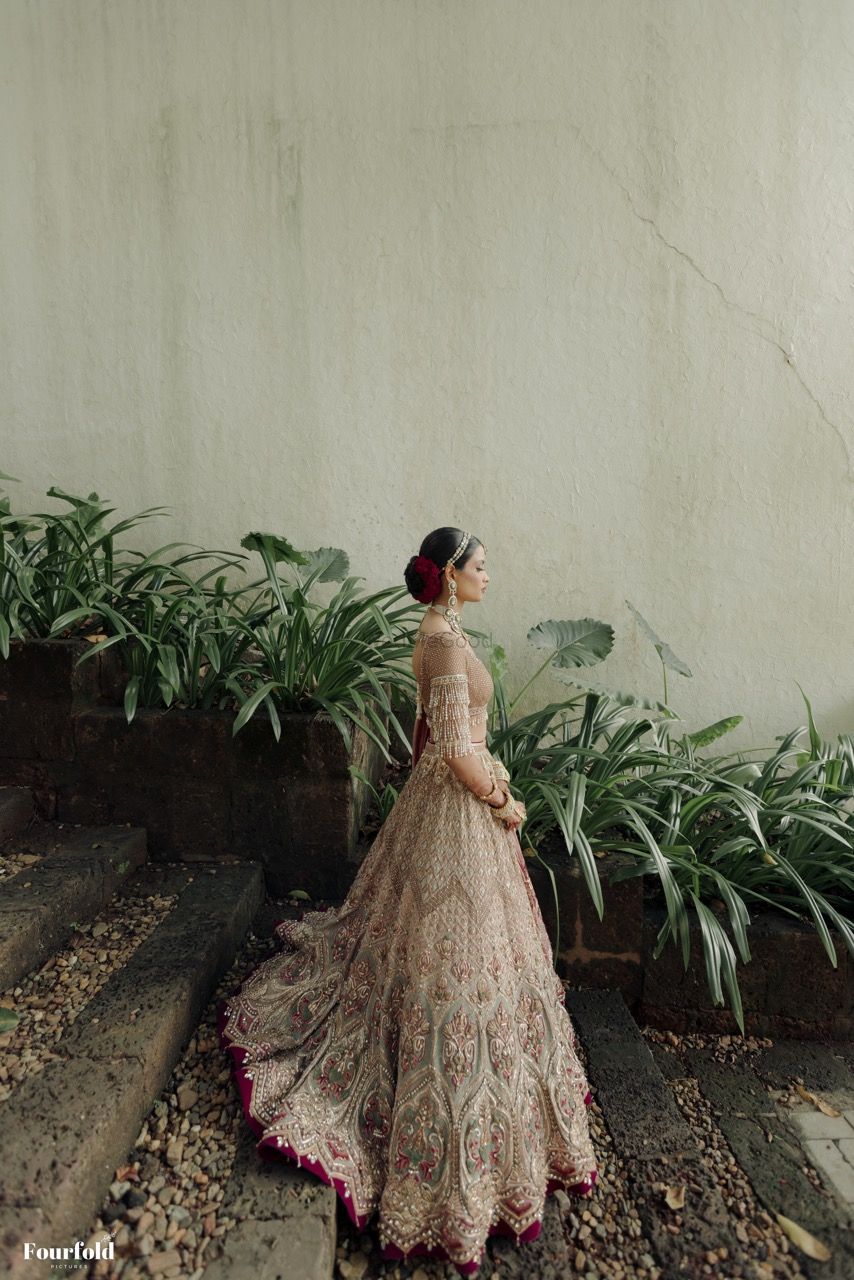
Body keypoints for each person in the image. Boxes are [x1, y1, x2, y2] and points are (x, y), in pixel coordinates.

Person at [217, 527, 598, 1275]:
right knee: (455, 958)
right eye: (481, 565)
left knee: (422, 938)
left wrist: (483, 780)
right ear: (451, 575)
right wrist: (504, 802)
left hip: (438, 802)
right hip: (456, 811)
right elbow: (455, 750)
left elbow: (431, 733)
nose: (491, 574)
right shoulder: (447, 642)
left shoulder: (435, 630)